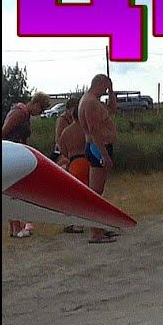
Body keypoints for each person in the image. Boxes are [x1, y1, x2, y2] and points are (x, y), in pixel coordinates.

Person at [2, 91, 51, 238]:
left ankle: (14, 228)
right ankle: (17, 228)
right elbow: (4, 132)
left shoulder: (23, 114)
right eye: (41, 109)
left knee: (13, 191)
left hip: (16, 155)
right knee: (15, 192)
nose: (40, 113)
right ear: (36, 104)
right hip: (12, 156)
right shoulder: (19, 114)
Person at [78, 74, 119, 243]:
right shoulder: (90, 102)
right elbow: (94, 130)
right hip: (97, 148)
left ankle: (99, 227)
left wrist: (111, 93)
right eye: (106, 87)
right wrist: (104, 155)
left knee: (98, 192)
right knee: (95, 192)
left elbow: (112, 110)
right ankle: (95, 232)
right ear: (100, 84)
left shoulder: (94, 101)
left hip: (100, 146)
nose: (106, 90)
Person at [56, 97, 88, 233]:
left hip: (75, 162)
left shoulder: (66, 132)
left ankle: (78, 225)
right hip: (89, 161)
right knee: (93, 194)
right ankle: (96, 222)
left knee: (78, 196)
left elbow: (62, 150)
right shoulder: (86, 129)